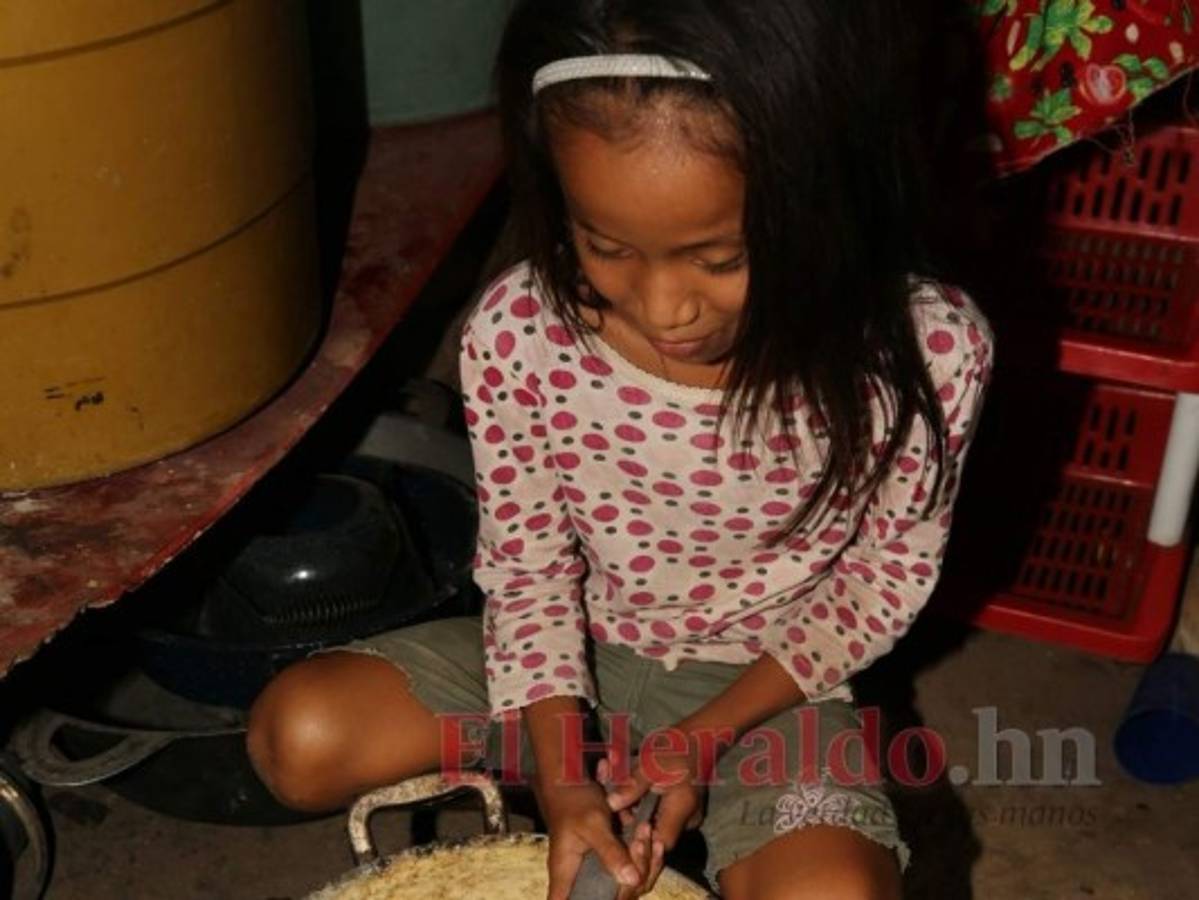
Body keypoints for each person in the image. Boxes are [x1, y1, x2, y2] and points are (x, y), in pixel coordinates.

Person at [247, 2, 993, 898]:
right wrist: (565, 780)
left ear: (828, 203)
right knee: (300, 738)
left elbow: (878, 587)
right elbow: (528, 576)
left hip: (771, 695)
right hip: (561, 667)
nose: (663, 306)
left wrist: (700, 740)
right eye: (605, 245)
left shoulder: (920, 351)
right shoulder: (522, 329)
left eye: (719, 258)